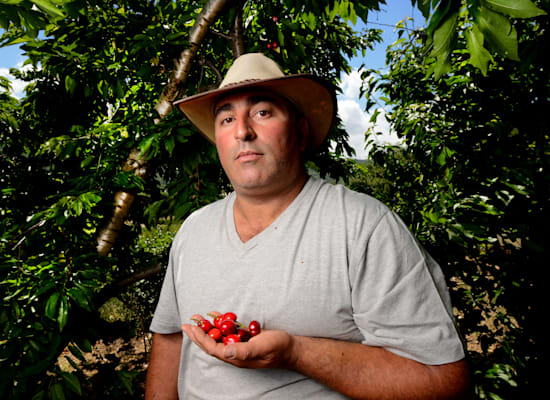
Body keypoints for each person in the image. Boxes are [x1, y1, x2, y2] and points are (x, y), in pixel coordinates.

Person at [145, 53, 471, 399]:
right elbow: (171, 338)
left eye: (262, 112)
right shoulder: (194, 231)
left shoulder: (363, 227)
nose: (242, 131)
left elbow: (445, 383)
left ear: (300, 132)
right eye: (226, 118)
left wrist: (296, 353)